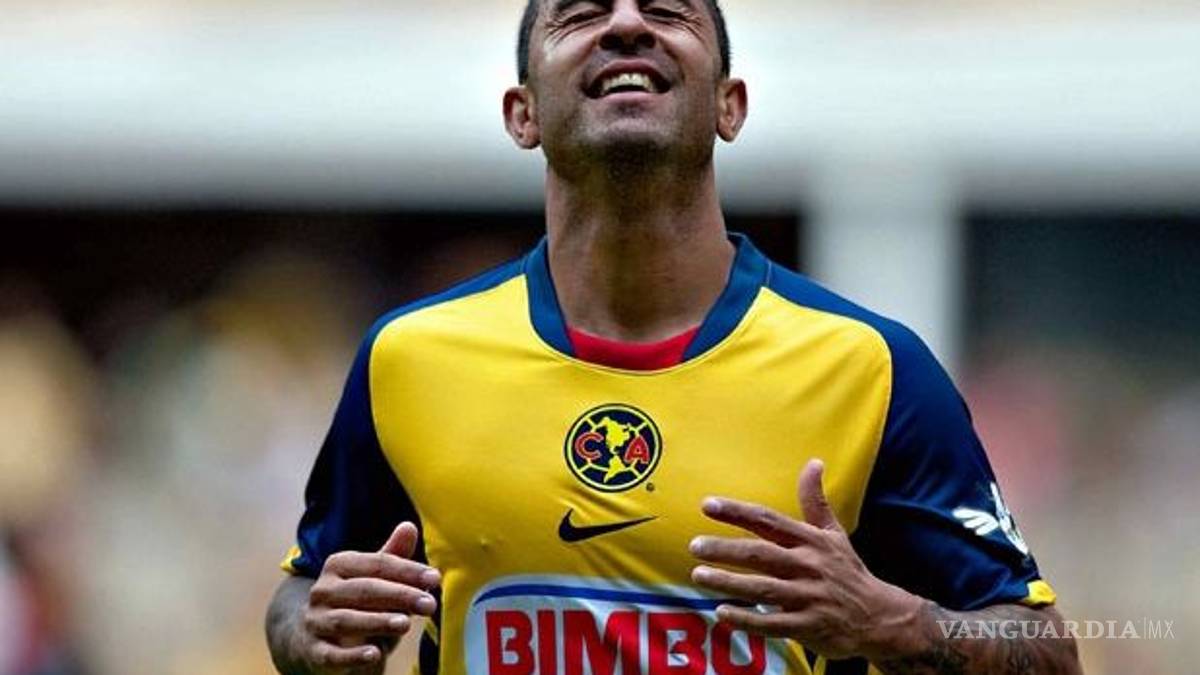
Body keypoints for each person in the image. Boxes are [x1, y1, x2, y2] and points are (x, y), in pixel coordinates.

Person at [265, 1, 1082, 673]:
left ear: (730, 106)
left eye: (668, 11)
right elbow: (300, 596)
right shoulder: (408, 357)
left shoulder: (873, 366)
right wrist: (315, 634)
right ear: (522, 114)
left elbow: (1048, 653)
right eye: (579, 14)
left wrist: (890, 621)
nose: (626, 24)